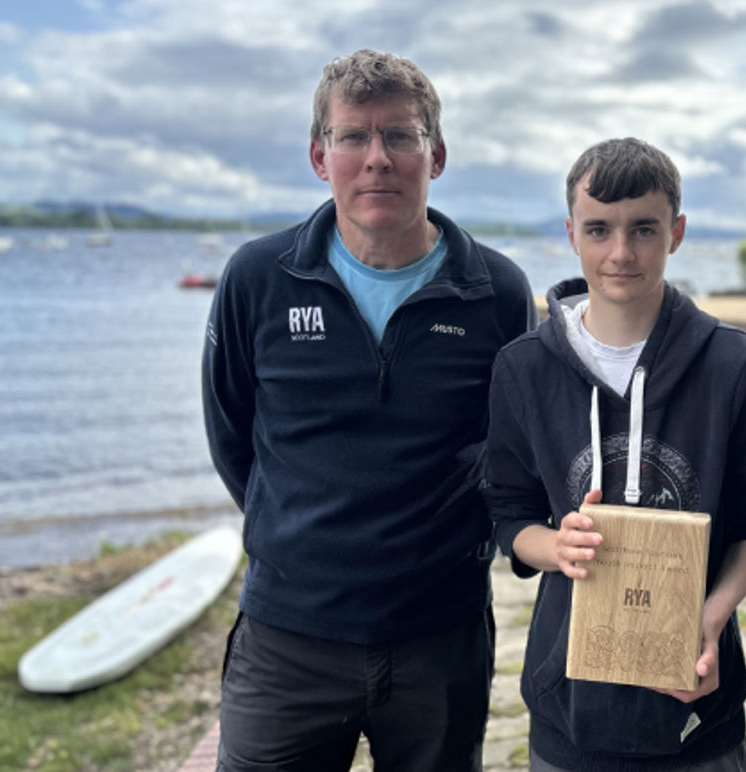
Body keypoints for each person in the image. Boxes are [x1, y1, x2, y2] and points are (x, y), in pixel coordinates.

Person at [202, 49, 535, 771]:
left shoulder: (497, 292)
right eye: (353, 136)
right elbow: (232, 434)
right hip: (287, 638)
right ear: (320, 156)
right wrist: (297, 537)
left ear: (435, 154)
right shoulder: (258, 278)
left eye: (400, 136)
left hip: (439, 640)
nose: (376, 157)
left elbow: (514, 449)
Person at [483, 137, 746, 771]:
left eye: (643, 229)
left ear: (676, 233)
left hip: (696, 703)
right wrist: (555, 546)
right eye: (599, 230)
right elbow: (509, 515)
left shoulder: (735, 366)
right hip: (567, 708)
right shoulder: (523, 369)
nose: (621, 253)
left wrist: (713, 612)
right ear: (571, 233)